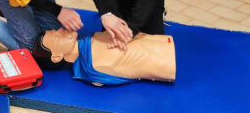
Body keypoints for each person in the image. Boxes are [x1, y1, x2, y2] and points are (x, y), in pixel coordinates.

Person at [32, 28, 176, 86]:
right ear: (56, 57)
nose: (61, 30)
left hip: (163, 43)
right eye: (56, 36)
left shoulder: (93, 41)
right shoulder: (93, 66)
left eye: (56, 30)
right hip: (166, 62)